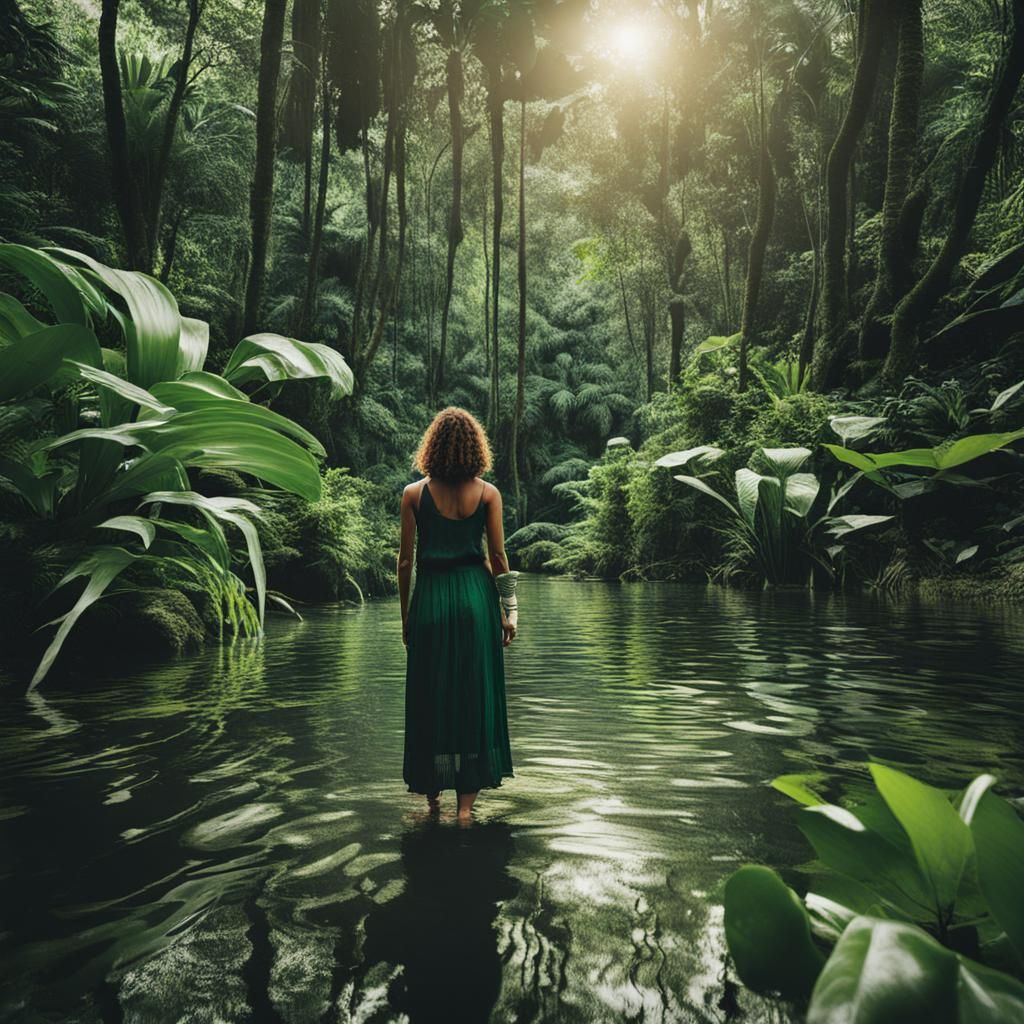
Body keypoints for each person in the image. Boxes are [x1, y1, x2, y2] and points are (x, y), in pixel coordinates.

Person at [397, 407, 516, 821]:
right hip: (475, 602)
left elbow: (405, 562)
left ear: (431, 446)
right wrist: (509, 611)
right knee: (473, 696)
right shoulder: (487, 494)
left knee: (431, 696)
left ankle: (433, 804)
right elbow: (497, 557)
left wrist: (406, 617)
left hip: (430, 597)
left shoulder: (413, 494)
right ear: (475, 447)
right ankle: (465, 812)